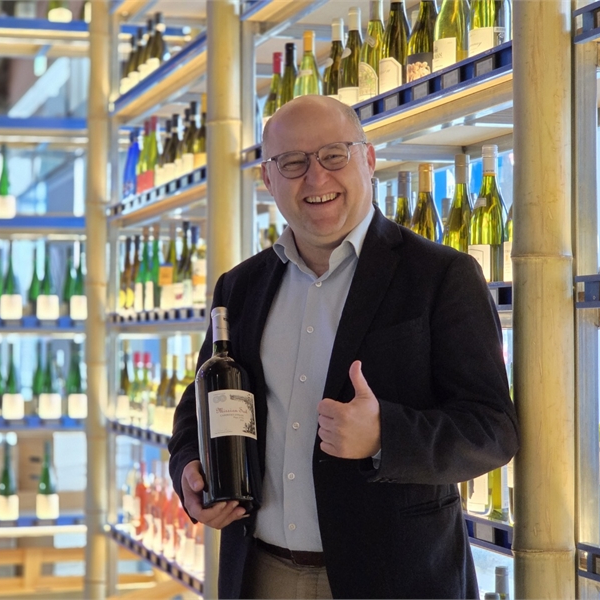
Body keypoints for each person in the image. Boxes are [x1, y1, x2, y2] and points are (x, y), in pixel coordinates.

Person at [168, 95, 519, 599]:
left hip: (393, 580)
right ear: (268, 179)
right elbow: (199, 405)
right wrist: (188, 469)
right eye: (292, 163)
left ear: (368, 159)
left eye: (334, 155)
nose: (316, 178)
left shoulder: (442, 276)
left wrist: (384, 435)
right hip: (260, 574)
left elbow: (492, 430)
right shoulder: (240, 287)